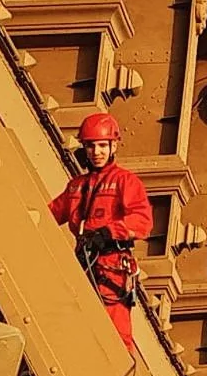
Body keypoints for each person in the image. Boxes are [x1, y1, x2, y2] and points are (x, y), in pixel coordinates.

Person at [49, 112, 152, 353]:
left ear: (113, 145)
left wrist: (107, 233)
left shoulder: (125, 181)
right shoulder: (76, 186)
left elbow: (142, 221)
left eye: (102, 146)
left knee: (116, 337)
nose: (97, 152)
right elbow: (51, 214)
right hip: (83, 264)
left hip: (111, 269)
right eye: (91, 146)